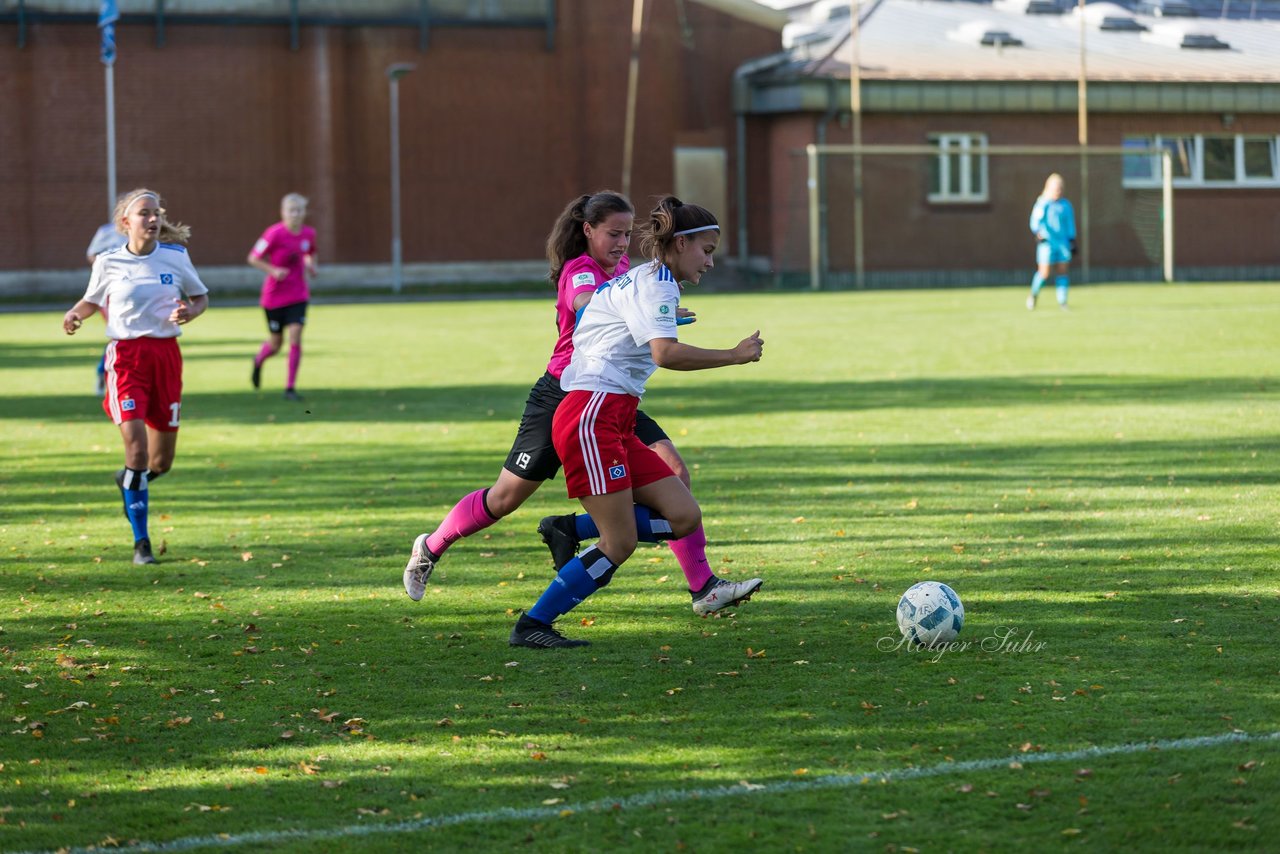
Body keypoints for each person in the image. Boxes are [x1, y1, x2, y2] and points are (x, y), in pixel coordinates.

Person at [402, 191, 763, 618]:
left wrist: (655, 314)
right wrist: (655, 317)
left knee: (675, 476)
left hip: (613, 397)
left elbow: (635, 315)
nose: (620, 243)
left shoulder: (639, 272)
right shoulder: (582, 272)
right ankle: (432, 545)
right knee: (504, 499)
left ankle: (702, 586)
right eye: (612, 233)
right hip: (565, 393)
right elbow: (588, 304)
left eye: (628, 234)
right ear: (588, 231)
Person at [508, 195, 764, 648]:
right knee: (619, 542)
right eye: (706, 250)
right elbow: (664, 354)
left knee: (683, 515)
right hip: (591, 414)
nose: (709, 261)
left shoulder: (650, 277)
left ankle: (570, 529)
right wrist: (734, 355)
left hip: (613, 417)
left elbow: (612, 325)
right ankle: (534, 624)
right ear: (680, 243)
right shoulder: (655, 283)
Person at [62, 188, 209, 565]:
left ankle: (129, 481)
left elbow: (199, 297)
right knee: (137, 451)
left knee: (161, 463)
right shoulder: (109, 261)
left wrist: (189, 313)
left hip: (166, 359)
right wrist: (75, 314)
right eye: (144, 213)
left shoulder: (175, 256)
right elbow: (91, 300)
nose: (153, 218)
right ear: (125, 223)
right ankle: (141, 544)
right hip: (126, 358)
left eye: (156, 212)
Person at [248, 193, 317, 401]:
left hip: (298, 295)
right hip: (274, 297)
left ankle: (290, 388)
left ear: (304, 212)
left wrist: (311, 265)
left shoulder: (309, 234)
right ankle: (259, 359)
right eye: (291, 211)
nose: (295, 215)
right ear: (283, 213)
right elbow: (253, 258)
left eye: (299, 211)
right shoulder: (274, 233)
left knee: (296, 336)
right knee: (276, 344)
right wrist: (273, 270)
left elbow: (311, 252)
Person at [86, 221, 126, 396]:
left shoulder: (144, 231)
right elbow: (91, 255)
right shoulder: (106, 231)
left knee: (129, 334)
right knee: (119, 332)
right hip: (110, 292)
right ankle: (105, 371)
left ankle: (116, 374)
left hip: (137, 293)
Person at [1026, 173, 1077, 311]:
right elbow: (1035, 221)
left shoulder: (1065, 205)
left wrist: (1072, 240)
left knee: (1062, 271)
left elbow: (1069, 224)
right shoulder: (1043, 203)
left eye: (1060, 188)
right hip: (1047, 243)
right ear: (1048, 188)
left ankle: (1063, 302)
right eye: (1055, 188)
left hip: (1062, 244)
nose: (1058, 191)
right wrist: (1038, 233)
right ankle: (1033, 295)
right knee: (1044, 273)